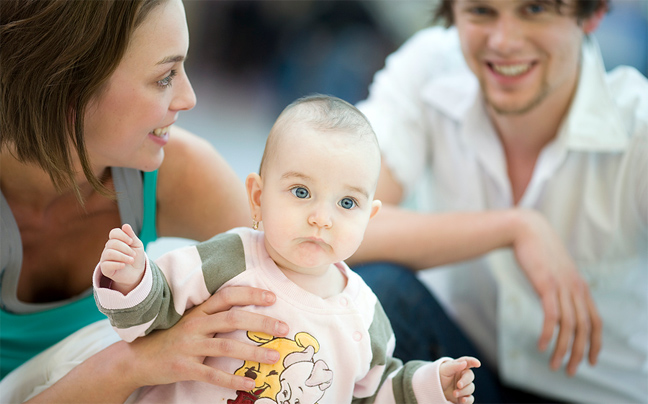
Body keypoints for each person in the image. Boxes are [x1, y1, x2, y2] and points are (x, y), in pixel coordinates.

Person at [350, 0, 647, 403]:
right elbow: (337, 218)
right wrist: (513, 226)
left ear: (591, 13)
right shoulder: (431, 67)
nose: (504, 41)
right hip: (465, 376)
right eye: (481, 11)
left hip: (601, 394)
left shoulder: (638, 130)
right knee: (373, 290)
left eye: (535, 9)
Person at [95, 94, 481, 404]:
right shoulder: (232, 258)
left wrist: (431, 385)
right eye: (301, 192)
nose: (321, 218)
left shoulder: (364, 312)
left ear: (370, 216)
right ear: (258, 197)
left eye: (346, 203)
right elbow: (151, 314)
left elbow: (372, 389)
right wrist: (132, 280)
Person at [0, 0, 292, 401]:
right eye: (165, 76)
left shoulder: (175, 170)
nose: (188, 98)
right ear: (67, 84)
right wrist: (132, 364)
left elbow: (307, 249)